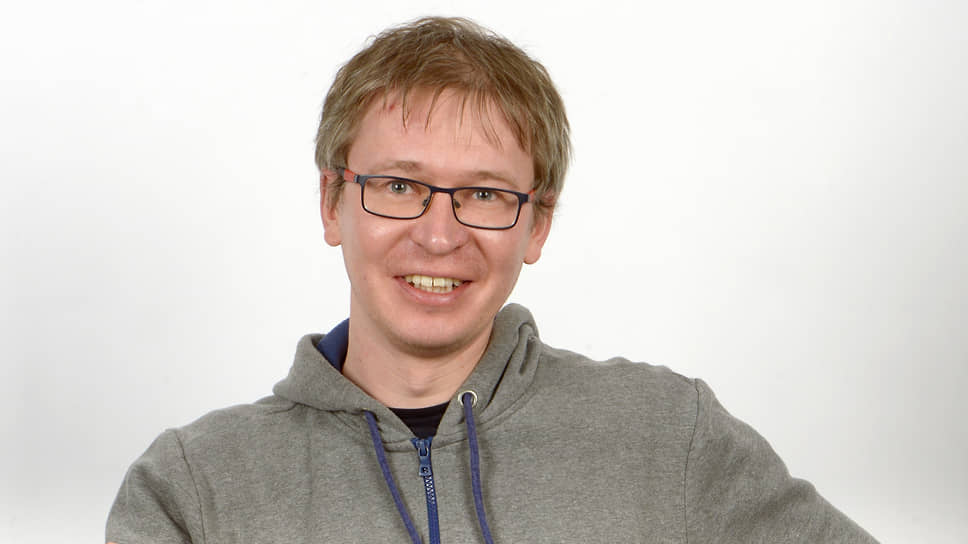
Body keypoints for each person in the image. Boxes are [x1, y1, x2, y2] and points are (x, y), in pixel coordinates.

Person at [106, 16, 877, 543]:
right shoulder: (195, 488)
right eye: (399, 185)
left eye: (483, 194)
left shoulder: (669, 436)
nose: (439, 235)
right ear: (332, 202)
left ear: (537, 225)